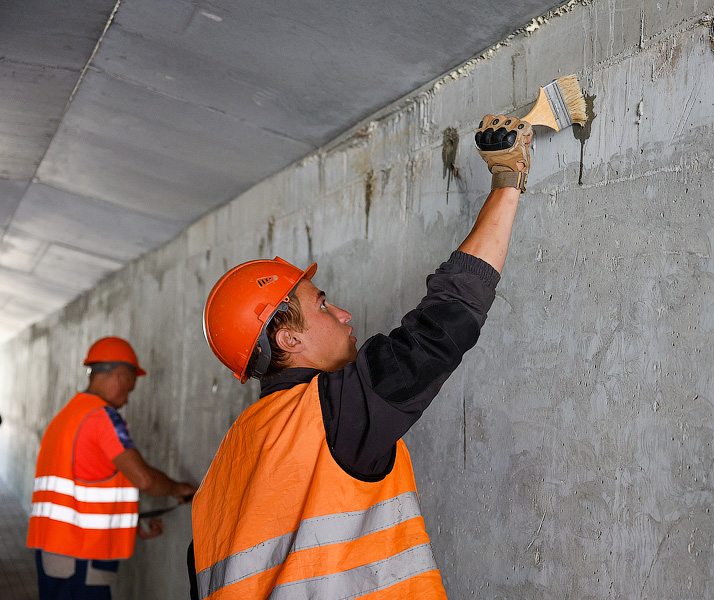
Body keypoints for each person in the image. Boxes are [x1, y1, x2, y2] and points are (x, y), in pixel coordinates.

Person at [190, 114, 533, 599]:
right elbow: (443, 325)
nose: (345, 314)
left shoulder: (218, 477)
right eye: (323, 305)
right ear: (288, 341)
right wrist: (507, 182)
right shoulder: (327, 415)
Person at [27, 336, 197, 600]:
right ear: (119, 376)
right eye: (129, 389)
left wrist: (130, 523)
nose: (127, 399)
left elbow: (85, 485)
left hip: (55, 552)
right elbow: (143, 479)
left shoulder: (67, 416)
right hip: (81, 557)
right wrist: (179, 489)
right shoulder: (101, 416)